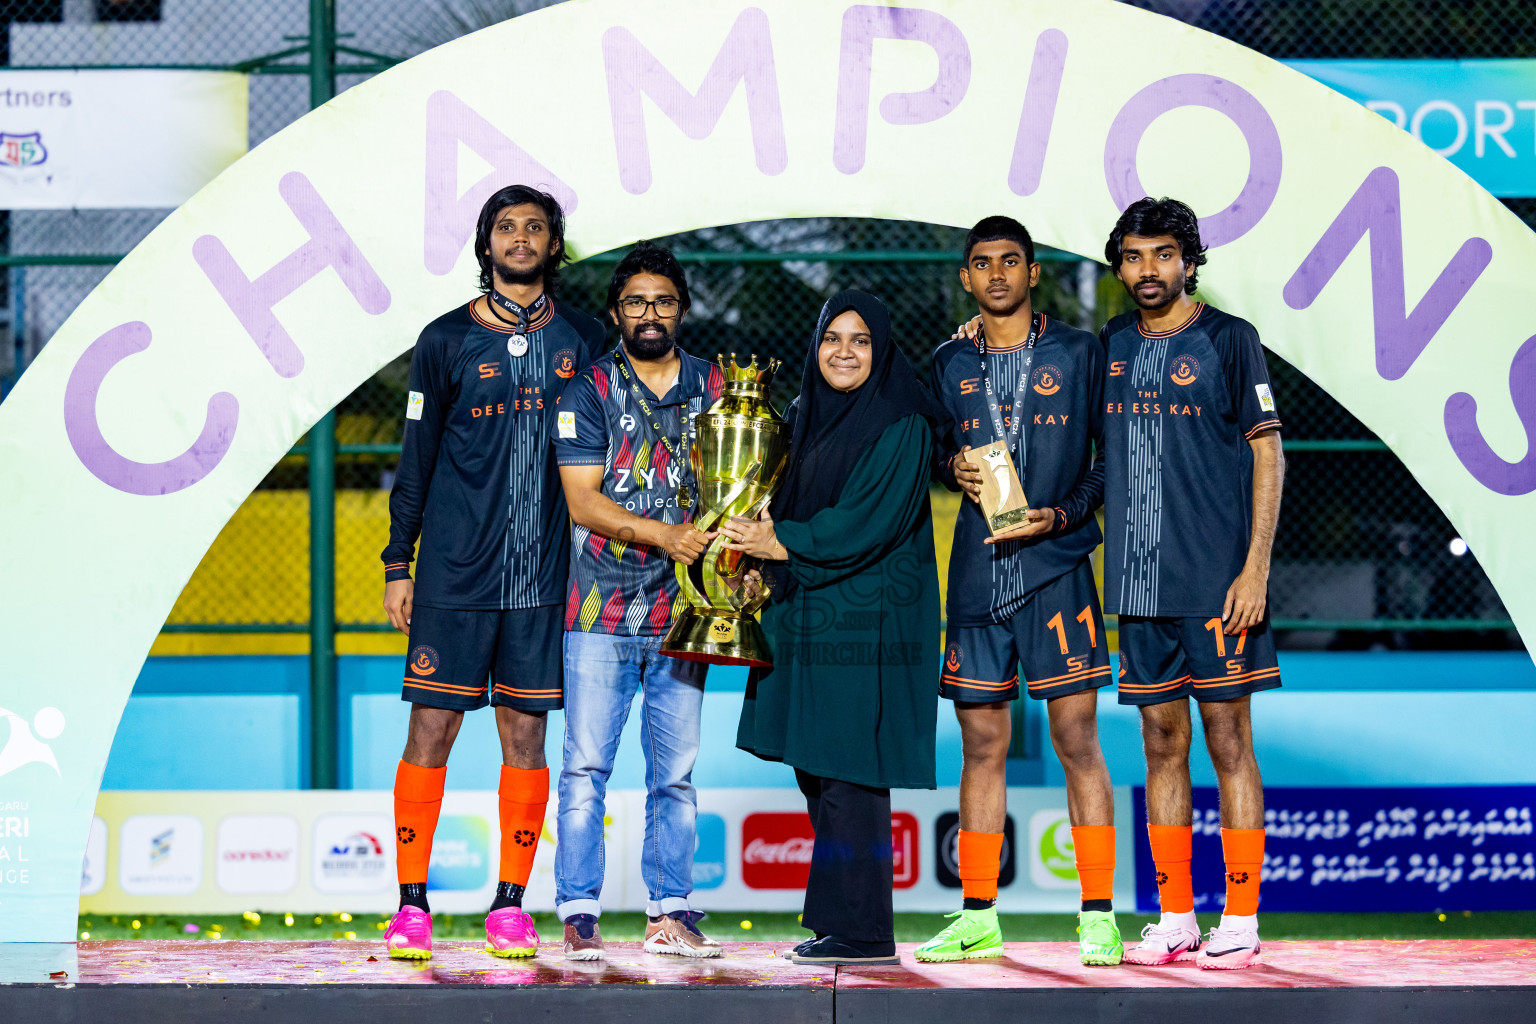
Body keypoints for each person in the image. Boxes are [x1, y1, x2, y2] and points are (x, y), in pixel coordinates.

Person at [379, 185, 604, 960]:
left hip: (543, 578)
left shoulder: (586, 339)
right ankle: (411, 906)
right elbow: (414, 463)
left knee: (525, 734)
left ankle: (509, 906)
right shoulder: (443, 341)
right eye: (506, 227)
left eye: (534, 227)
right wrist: (396, 563)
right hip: (451, 575)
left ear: (553, 244)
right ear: (486, 244)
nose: (519, 238)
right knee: (431, 728)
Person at [919, 216, 1121, 965]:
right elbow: (934, 448)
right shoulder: (946, 361)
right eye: (982, 263)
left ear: (1033, 273)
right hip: (977, 573)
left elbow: (1111, 461)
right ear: (966, 278)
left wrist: (1062, 513)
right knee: (981, 746)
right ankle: (977, 915)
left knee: (1077, 741)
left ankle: (1097, 916)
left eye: (1011, 261)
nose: (996, 274)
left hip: (1059, 568)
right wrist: (952, 468)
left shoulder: (1079, 351)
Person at [726, 289, 946, 967]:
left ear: (881, 351)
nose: (844, 353)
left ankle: (865, 932)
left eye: (860, 341)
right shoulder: (805, 413)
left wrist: (778, 544)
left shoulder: (901, 419)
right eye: (832, 339)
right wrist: (756, 566)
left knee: (850, 772)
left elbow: (867, 522)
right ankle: (843, 924)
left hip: (865, 619)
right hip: (806, 611)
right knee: (819, 774)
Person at [1100, 197, 1284, 970]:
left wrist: (1255, 568)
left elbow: (1269, 455)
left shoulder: (1230, 340)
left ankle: (1240, 916)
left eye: (1163, 255)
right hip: (1137, 591)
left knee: (1230, 742)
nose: (1150, 270)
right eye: (1136, 256)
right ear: (1121, 265)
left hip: (1218, 585)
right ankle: (1177, 917)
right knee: (1159, 745)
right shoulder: (1107, 346)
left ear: (1189, 260)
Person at [553, 241, 725, 961]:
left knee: (675, 775)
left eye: (662, 301)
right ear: (616, 312)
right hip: (600, 611)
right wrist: (670, 535)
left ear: (681, 308)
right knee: (586, 769)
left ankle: (670, 913)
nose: (649, 314)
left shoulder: (717, 385)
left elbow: (739, 483)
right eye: (635, 302)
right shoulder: (587, 390)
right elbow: (584, 503)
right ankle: (578, 914)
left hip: (686, 612)